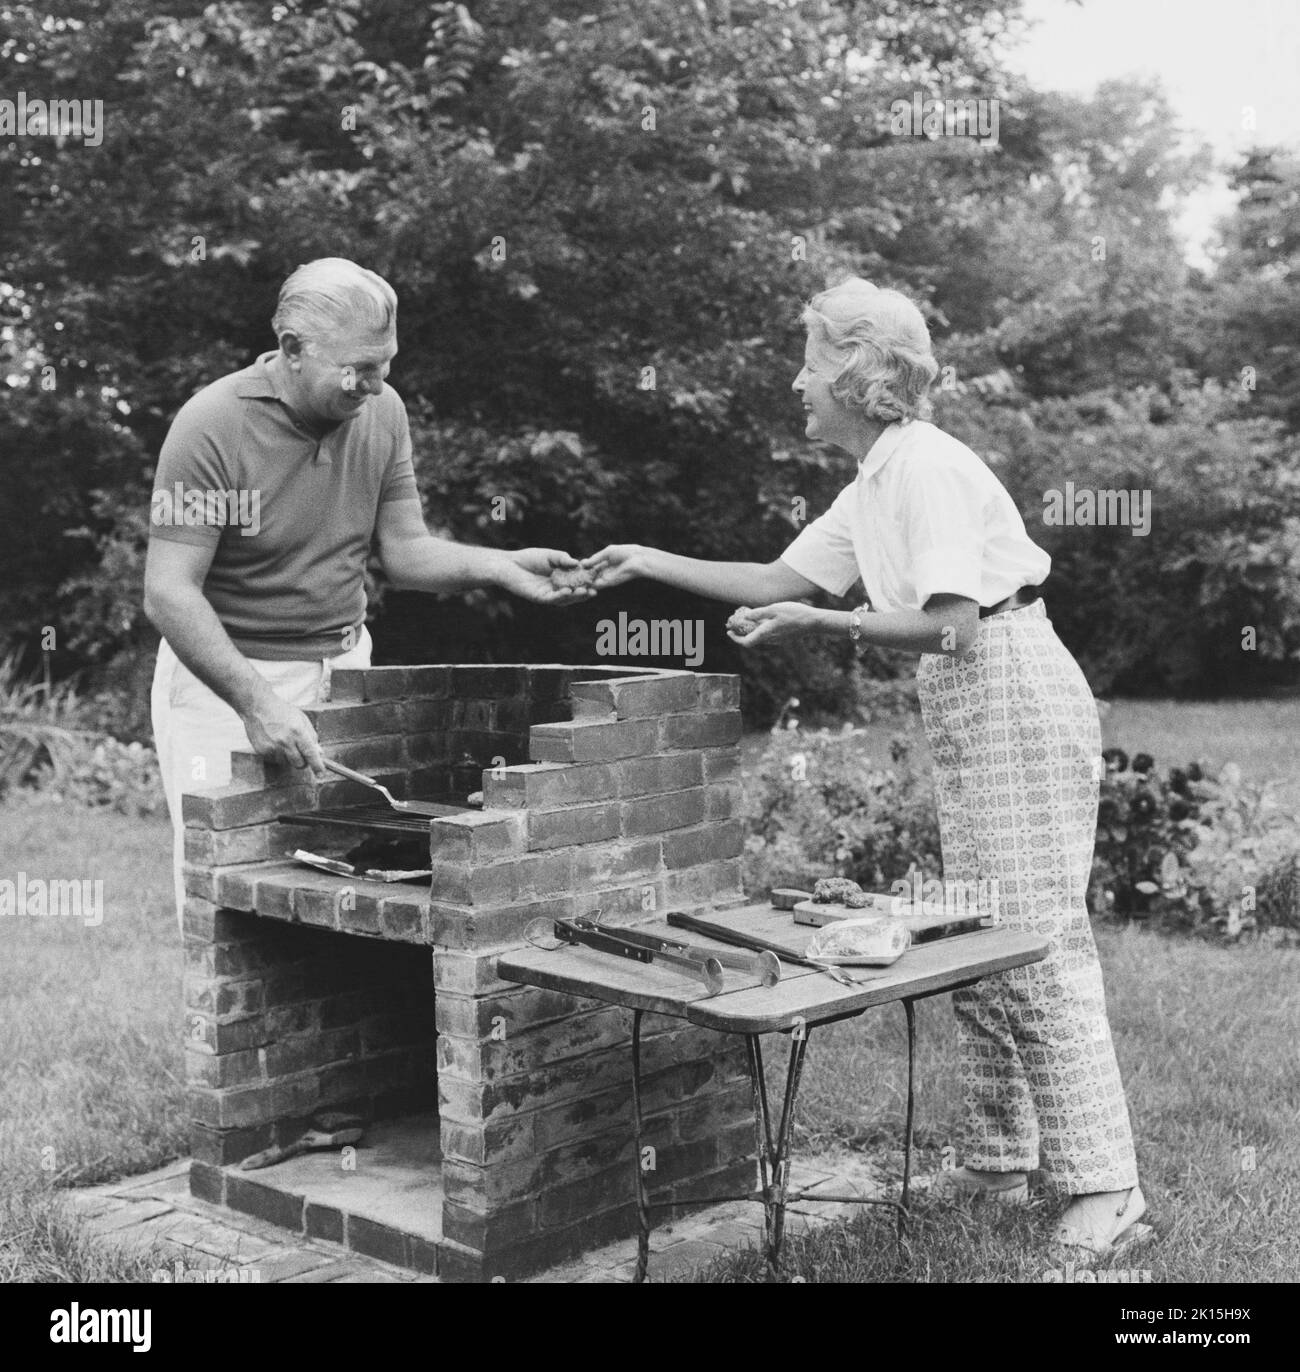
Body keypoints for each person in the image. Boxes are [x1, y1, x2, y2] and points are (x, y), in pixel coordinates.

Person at [584, 276, 1146, 1258]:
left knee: (1039, 937)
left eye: (808, 362)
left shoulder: (923, 466)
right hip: (977, 696)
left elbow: (951, 625)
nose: (796, 383)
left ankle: (1106, 1189)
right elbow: (775, 580)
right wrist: (643, 558)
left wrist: (821, 621)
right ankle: (996, 1161)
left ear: (857, 377)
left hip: (1008, 680)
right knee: (984, 926)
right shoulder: (876, 477)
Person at [145, 257, 590, 931]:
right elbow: (169, 593)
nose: (376, 383)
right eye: (358, 366)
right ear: (292, 350)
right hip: (224, 685)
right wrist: (257, 703)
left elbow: (406, 552)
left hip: (340, 670)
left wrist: (500, 565)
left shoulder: (381, 411)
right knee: (225, 891)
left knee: (333, 874)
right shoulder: (211, 425)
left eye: (386, 362)